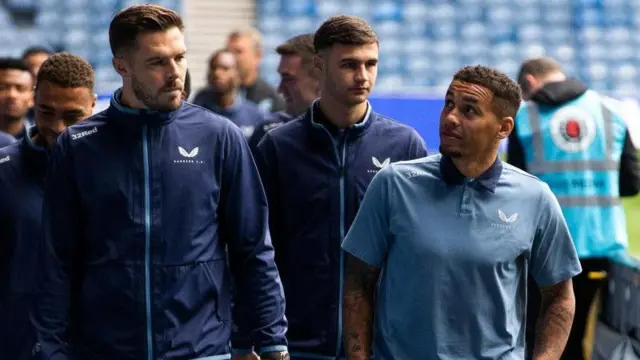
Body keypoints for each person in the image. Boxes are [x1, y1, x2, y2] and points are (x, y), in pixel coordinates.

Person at [31, 5, 288, 360]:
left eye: (179, 57)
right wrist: (50, 349)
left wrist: (272, 340)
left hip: (202, 348)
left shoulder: (220, 137)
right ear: (122, 66)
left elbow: (253, 249)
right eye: (157, 62)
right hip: (105, 350)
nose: (175, 74)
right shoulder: (77, 147)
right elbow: (56, 261)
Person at [341, 65, 582, 360]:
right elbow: (357, 281)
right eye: (449, 104)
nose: (451, 118)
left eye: (469, 111)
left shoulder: (535, 197)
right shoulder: (393, 184)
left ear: (503, 128)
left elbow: (559, 296)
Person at [253, 15, 427, 359]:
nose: (362, 77)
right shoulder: (277, 148)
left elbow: (420, 251)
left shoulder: (405, 147)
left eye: (370, 64)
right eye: (349, 65)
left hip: (381, 345)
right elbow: (257, 249)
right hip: (297, 343)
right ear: (319, 66)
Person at [509, 57, 640, 360]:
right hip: (601, 246)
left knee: (545, 338)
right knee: (586, 339)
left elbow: (515, 189)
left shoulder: (526, 119)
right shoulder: (611, 112)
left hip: (545, 251)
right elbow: (632, 183)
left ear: (528, 84)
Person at [0, 52, 96, 360]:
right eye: (46, 111)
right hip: (15, 342)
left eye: (72, 117)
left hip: (94, 341)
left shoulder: (114, 172)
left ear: (93, 105)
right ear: (33, 99)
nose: (57, 127)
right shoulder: (3, 171)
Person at [248, 33, 320, 153]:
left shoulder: (354, 133)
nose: (280, 89)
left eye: (288, 78)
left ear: (320, 77)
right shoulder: (267, 132)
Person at [193, 29, 285, 113]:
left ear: (258, 56)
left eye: (238, 51)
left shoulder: (273, 100)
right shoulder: (204, 98)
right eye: (228, 51)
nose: (231, 57)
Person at [193, 49, 266, 138]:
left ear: (238, 74)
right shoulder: (196, 112)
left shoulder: (255, 116)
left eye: (225, 68)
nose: (217, 73)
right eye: (213, 67)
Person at [0, 58, 33, 139]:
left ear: (33, 97)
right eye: (3, 88)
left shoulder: (43, 140)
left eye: (21, 89)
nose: (12, 95)